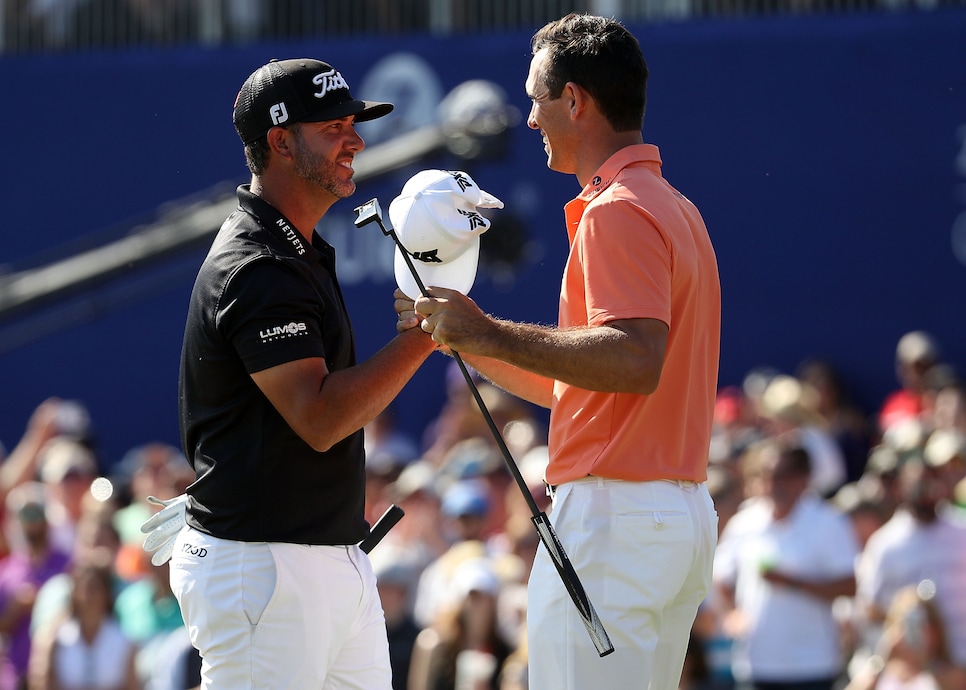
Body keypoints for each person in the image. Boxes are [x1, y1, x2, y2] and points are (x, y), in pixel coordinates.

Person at [397, 13, 721, 689]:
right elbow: (587, 381)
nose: (529, 119)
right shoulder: (673, 207)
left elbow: (634, 359)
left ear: (574, 100)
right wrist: (459, 339)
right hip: (668, 520)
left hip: (617, 523)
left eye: (536, 100)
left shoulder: (618, 210)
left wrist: (484, 330)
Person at [167, 57, 437, 689]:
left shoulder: (294, 250)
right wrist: (428, 335)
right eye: (332, 127)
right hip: (264, 570)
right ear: (280, 142)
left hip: (322, 561)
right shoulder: (258, 264)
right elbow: (318, 418)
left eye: (353, 124)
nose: (356, 140)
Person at [712, 438, 859, 689]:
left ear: (804, 478)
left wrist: (793, 583)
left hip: (813, 665)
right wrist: (730, 616)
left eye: (783, 475)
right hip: (756, 664)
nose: (774, 484)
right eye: (768, 475)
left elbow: (849, 586)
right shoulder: (745, 522)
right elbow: (721, 576)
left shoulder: (829, 523)